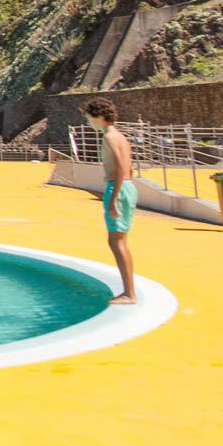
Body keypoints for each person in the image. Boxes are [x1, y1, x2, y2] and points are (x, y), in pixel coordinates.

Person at [83, 97, 137, 304]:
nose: (88, 121)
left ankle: (129, 294)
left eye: (89, 117)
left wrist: (114, 199)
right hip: (126, 188)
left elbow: (122, 168)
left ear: (100, 116)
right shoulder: (119, 136)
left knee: (116, 241)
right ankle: (128, 291)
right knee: (119, 241)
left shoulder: (109, 138)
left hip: (118, 188)